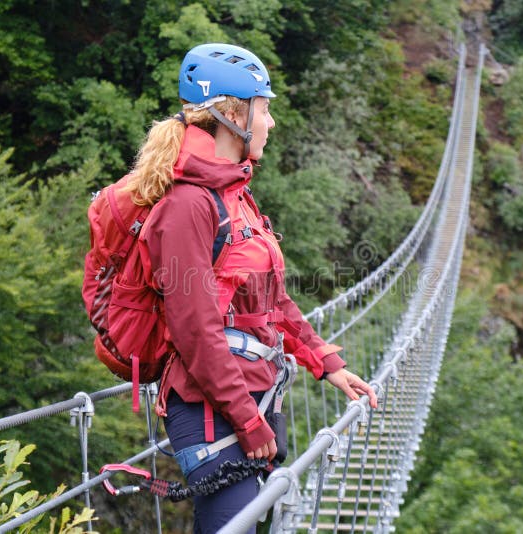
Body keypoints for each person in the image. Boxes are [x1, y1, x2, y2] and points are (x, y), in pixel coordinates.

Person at [124, 43, 378, 533]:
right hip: (211, 408)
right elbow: (195, 328)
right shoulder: (188, 206)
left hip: (250, 397)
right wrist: (246, 419)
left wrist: (327, 363)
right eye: (265, 108)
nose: (272, 123)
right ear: (232, 115)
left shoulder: (236, 196)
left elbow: (273, 302)